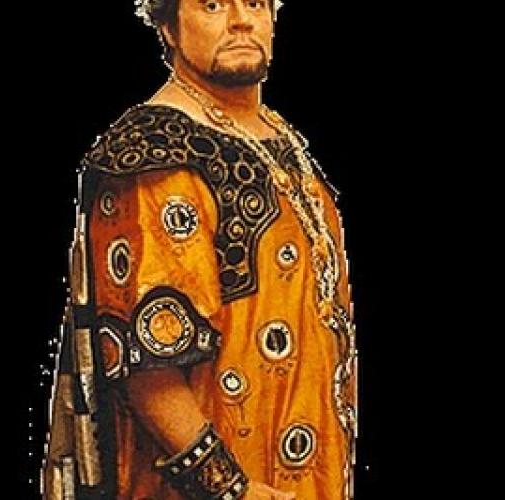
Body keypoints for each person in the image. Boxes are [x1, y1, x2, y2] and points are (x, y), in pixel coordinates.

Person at [43, 1, 357, 498]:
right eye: (212, 4)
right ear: (168, 26)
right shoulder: (158, 153)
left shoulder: (279, 136)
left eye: (254, 2)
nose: (240, 20)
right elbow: (146, 365)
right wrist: (233, 489)